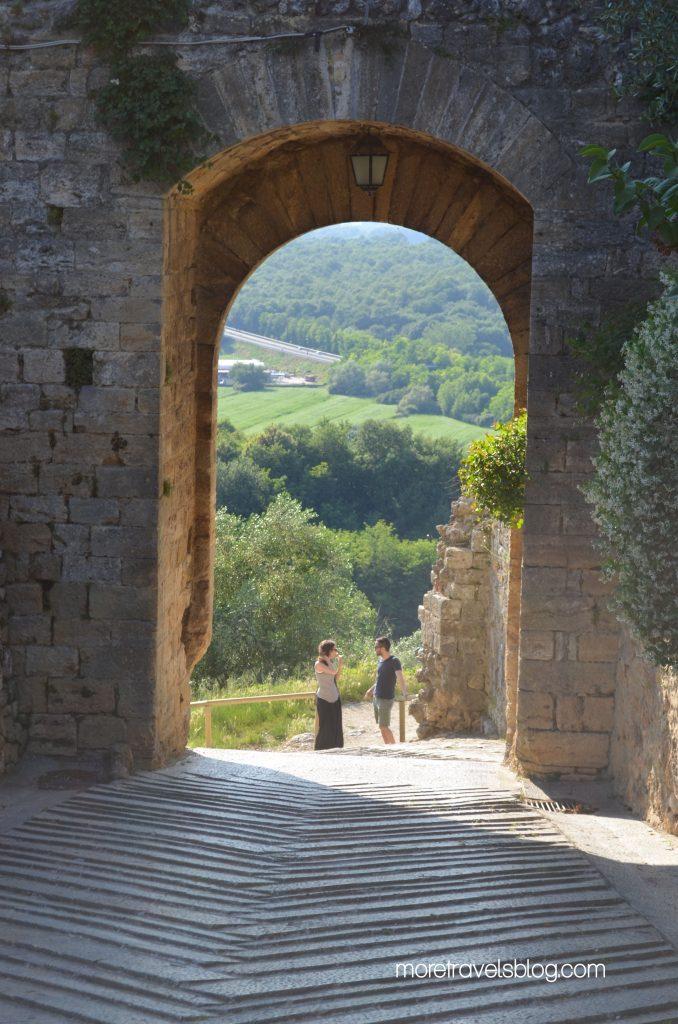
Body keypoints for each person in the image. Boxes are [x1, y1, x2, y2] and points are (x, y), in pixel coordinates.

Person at [363, 636, 409, 744]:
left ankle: (395, 749)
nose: (375, 649)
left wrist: (405, 693)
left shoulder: (394, 661)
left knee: (384, 726)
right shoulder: (380, 661)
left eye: (376, 647)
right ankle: (388, 748)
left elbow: (400, 677)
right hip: (376, 697)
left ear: (383, 648)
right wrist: (370, 690)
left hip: (385, 699)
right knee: (381, 727)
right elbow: (379, 679)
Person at [314, 639, 344, 750]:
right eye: (335, 649)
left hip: (335, 697)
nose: (336, 651)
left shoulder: (330, 663)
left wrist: (339, 665)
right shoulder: (318, 664)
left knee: (336, 725)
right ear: (329, 651)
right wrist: (338, 663)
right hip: (324, 699)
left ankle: (337, 748)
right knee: (325, 726)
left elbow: (335, 678)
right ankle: (321, 750)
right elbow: (333, 672)